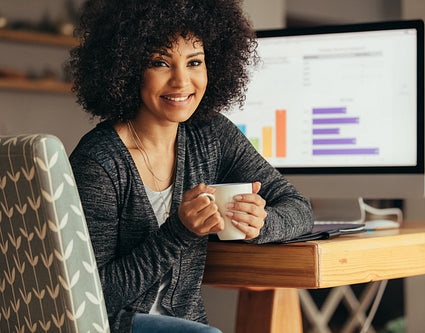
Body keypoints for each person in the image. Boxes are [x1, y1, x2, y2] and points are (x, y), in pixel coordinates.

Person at [68, 0, 314, 332]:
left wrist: (261, 223)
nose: (181, 81)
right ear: (126, 68)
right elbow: (91, 294)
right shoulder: (99, 161)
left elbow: (299, 207)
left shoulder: (211, 135)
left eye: (194, 62)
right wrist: (179, 232)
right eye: (160, 62)